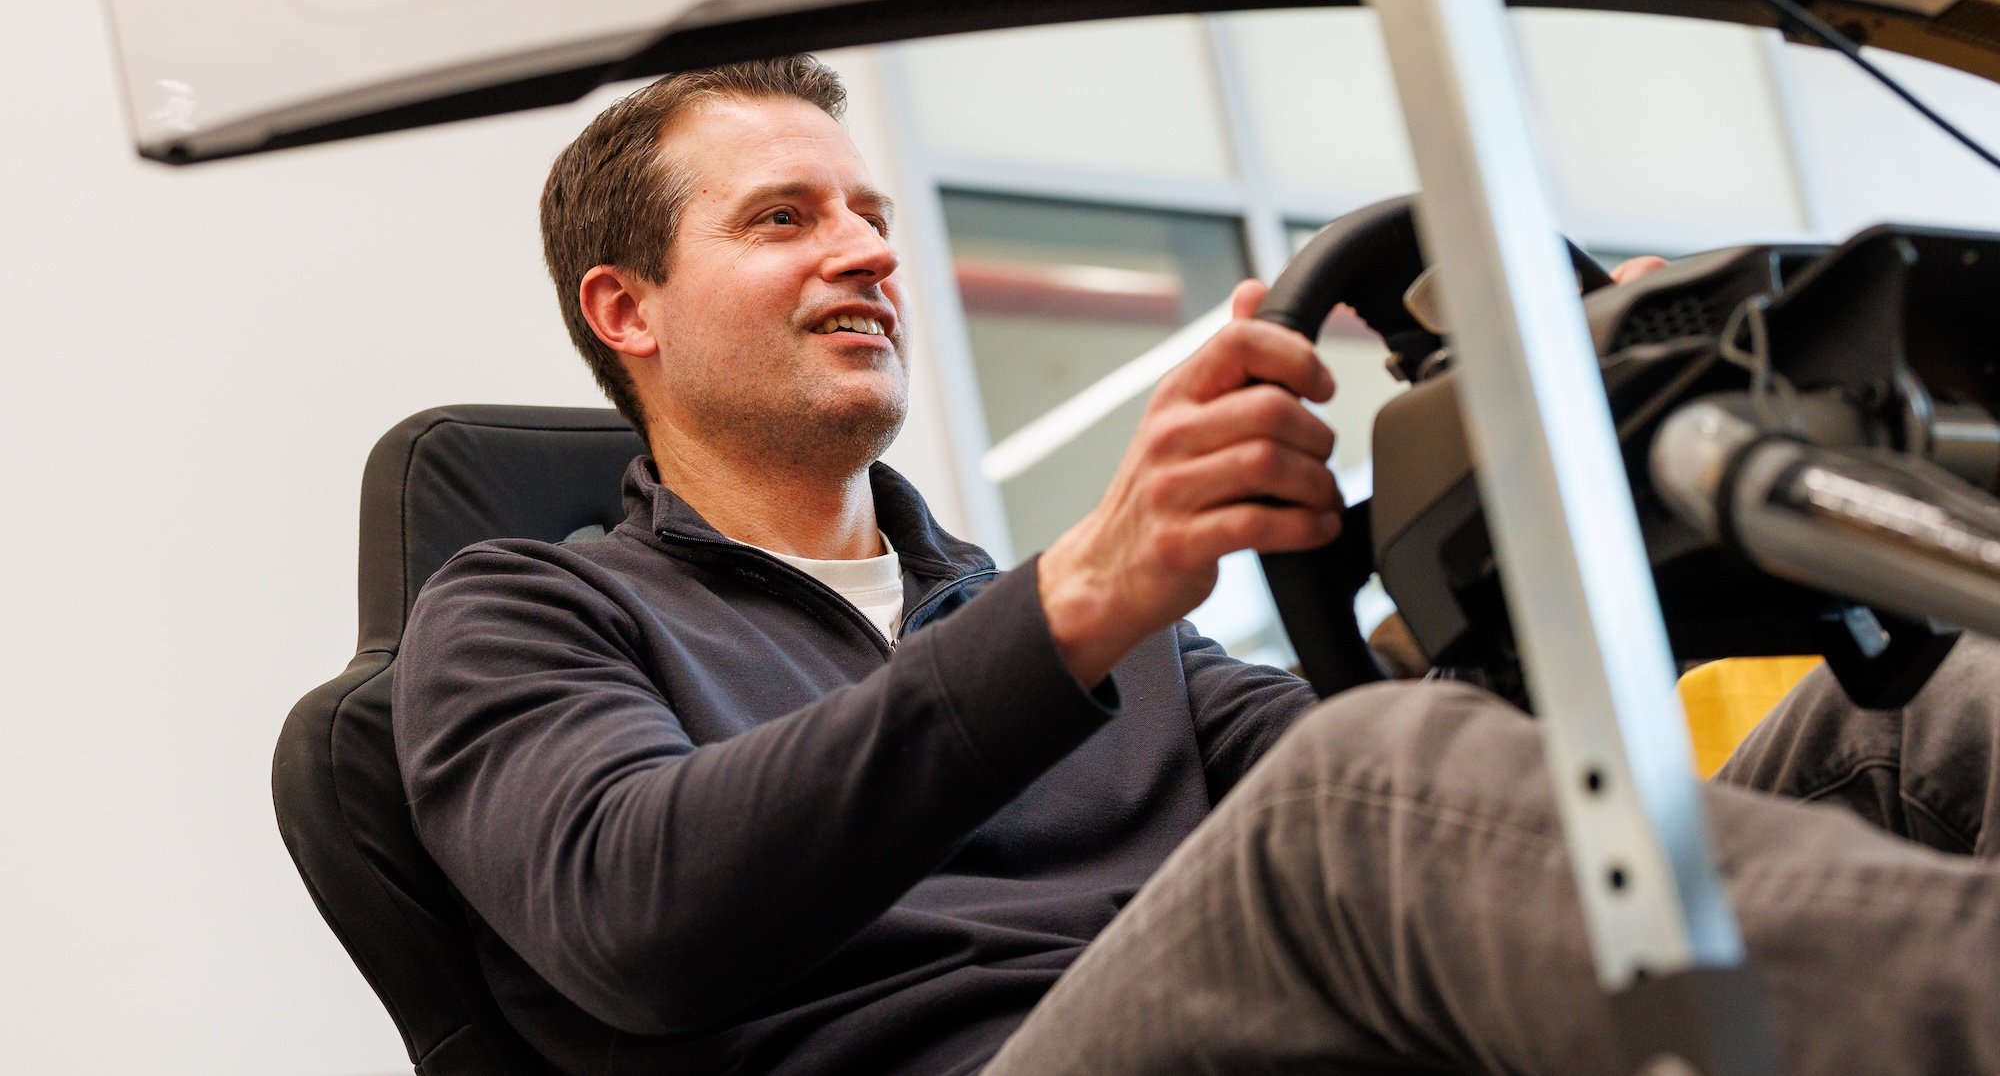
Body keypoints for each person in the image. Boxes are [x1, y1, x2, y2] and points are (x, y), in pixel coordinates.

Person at [395, 57, 2000, 1076]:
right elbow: (639, 913)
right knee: (1353, 795)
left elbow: (1467, 796)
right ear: (628, 310)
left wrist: (1582, 515)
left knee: (1944, 706)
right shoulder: (524, 613)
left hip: (1312, 1021)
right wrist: (1086, 588)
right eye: (784, 218)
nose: (869, 248)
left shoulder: (1086, 632)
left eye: (872, 212)